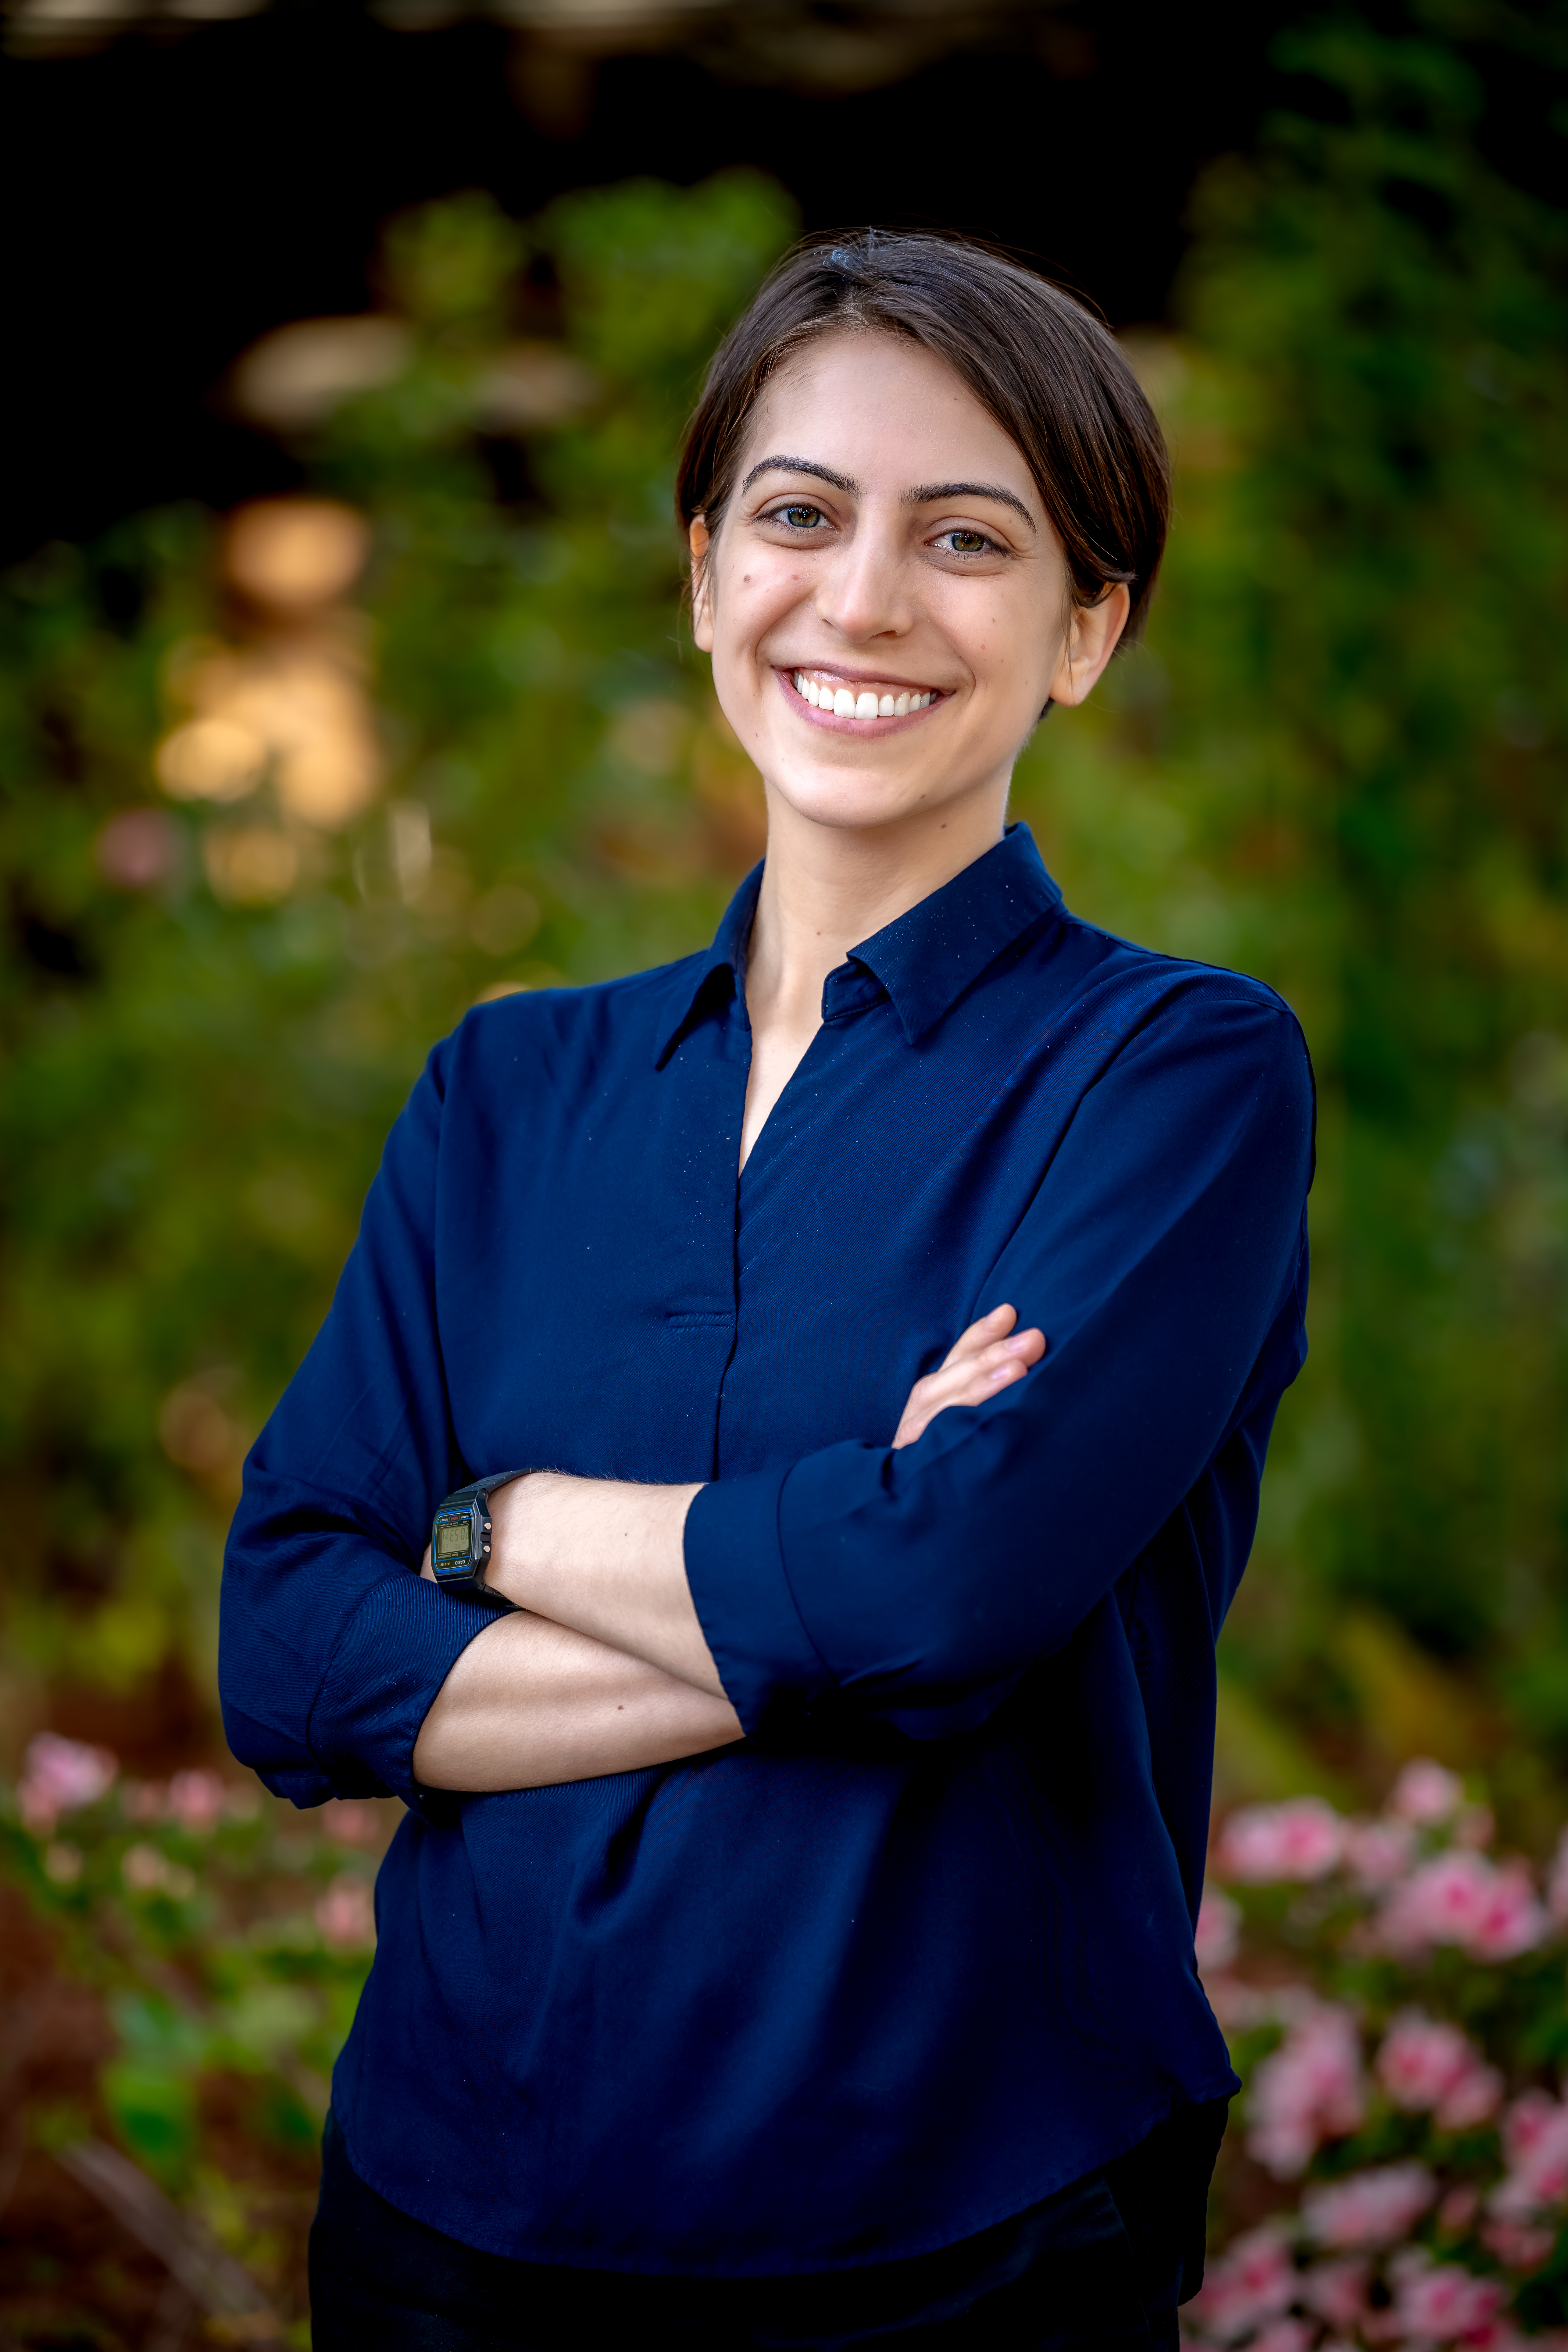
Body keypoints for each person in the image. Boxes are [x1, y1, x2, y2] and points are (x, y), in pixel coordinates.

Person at [220, 229, 1314, 2349]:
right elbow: (288, 1645)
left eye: (968, 538)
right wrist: (844, 1575)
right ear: (709, 572)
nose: (866, 598)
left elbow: (950, 1595)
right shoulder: (506, 1088)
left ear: (1087, 629)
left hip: (952, 2238)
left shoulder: (1169, 1075)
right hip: (446, 2219)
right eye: (799, 515)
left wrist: (491, 1525)